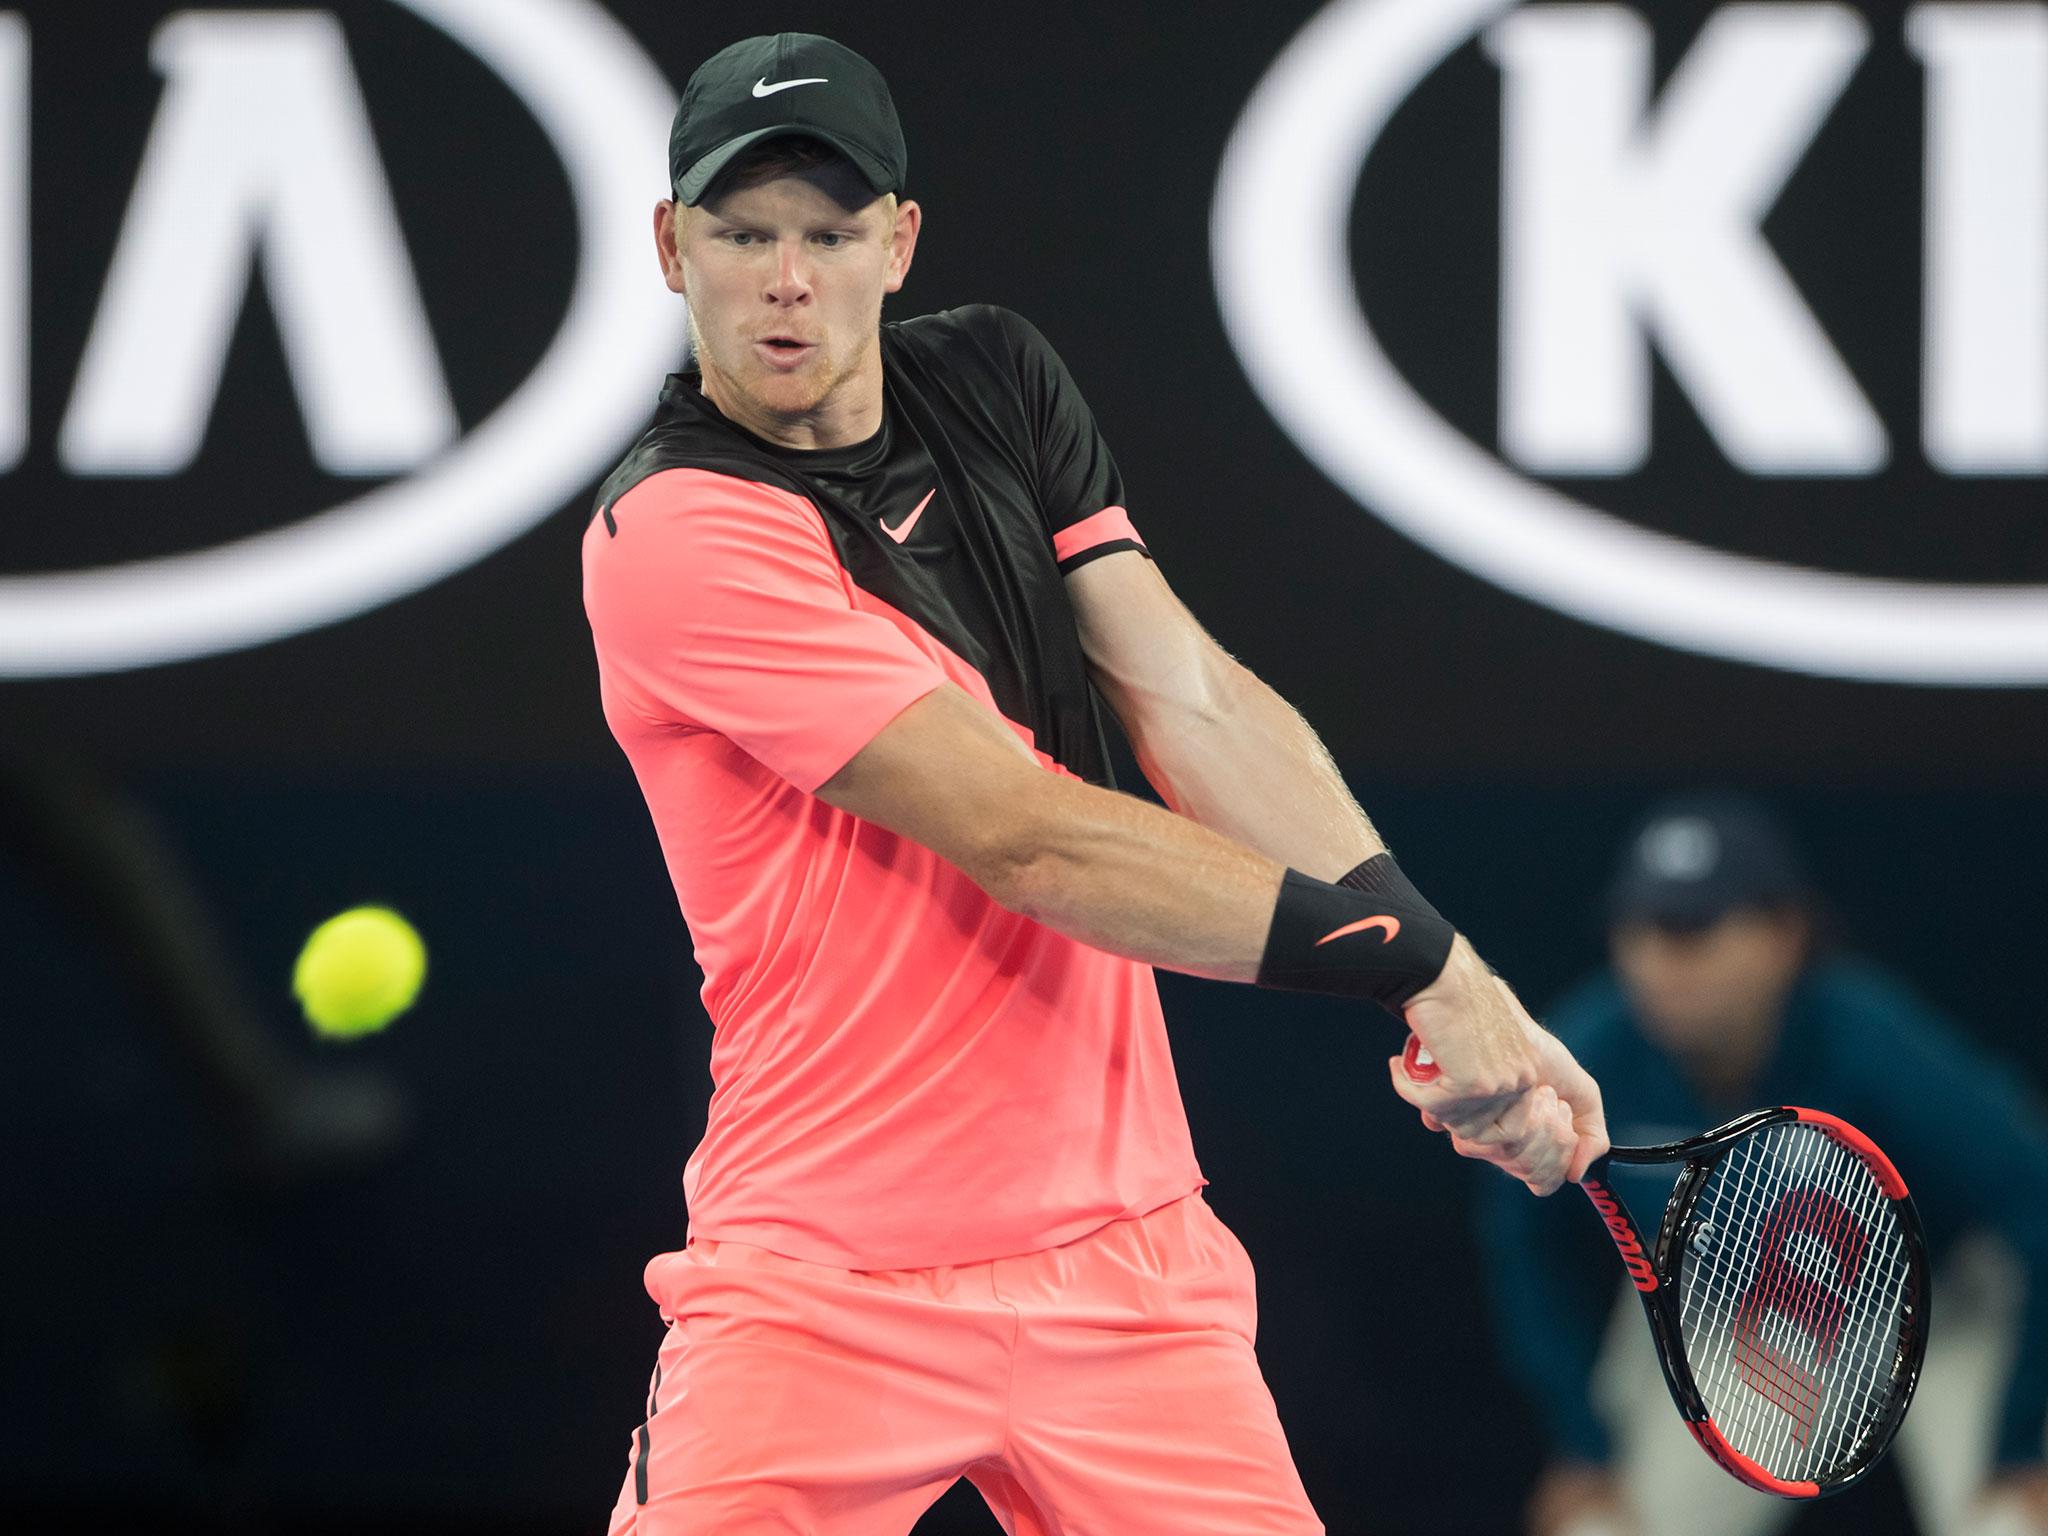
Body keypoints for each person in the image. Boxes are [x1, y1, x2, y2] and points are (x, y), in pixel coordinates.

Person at [580, 32, 1608, 1535]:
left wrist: (1449, 981)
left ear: (898, 243)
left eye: (828, 233)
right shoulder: (675, 533)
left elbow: (1183, 691)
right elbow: (1028, 838)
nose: (785, 280)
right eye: (742, 235)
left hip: (1132, 1270)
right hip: (823, 1287)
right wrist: (1420, 969)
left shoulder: (995, 377)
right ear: (673, 249)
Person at [1480, 795, 2048, 1536]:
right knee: (1599, 1530)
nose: (1658, 961)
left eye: (1694, 930)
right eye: (1639, 929)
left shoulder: (1865, 1036)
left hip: (1938, 1308)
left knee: (2010, 1526)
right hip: (1743, 1319)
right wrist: (1584, 1446)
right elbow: (1523, 1240)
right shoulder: (1593, 1048)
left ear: (1784, 933)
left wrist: (2021, 1443)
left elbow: (2036, 1195)